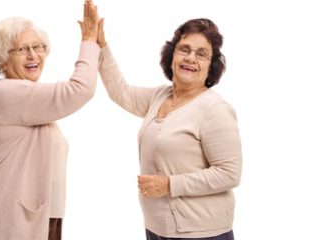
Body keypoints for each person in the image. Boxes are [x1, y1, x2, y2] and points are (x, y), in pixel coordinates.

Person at [97, 18, 242, 239]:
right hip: (158, 229)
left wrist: (169, 184)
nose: (191, 58)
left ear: (211, 66)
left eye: (201, 54)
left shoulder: (214, 109)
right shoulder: (160, 96)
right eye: (185, 49)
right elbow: (122, 92)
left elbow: (229, 174)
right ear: (172, 55)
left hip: (201, 233)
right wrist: (100, 45)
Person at [0, 1, 99, 239]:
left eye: (39, 47)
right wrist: (90, 41)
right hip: (7, 224)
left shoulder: (31, 103)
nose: (34, 55)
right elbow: (80, 89)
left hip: (41, 222)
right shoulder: (9, 94)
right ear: (2, 60)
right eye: (21, 49)